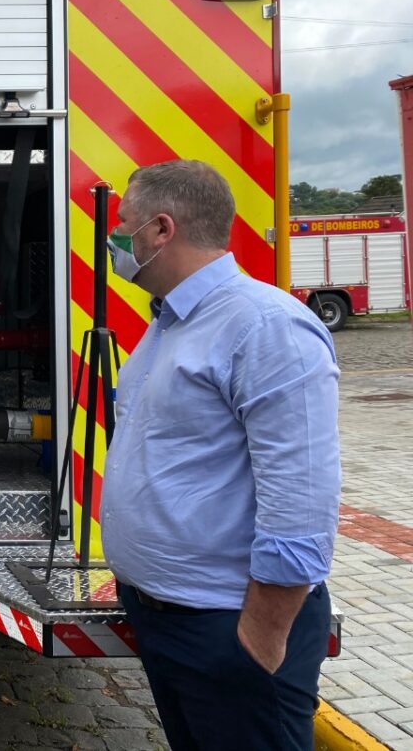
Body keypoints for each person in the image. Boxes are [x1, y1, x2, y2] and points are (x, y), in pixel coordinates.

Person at [101, 160, 341, 751]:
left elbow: (302, 503)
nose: (115, 240)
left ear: (161, 230)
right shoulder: (172, 325)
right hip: (171, 619)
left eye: (123, 224)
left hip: (226, 630)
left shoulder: (265, 327)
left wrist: (257, 642)